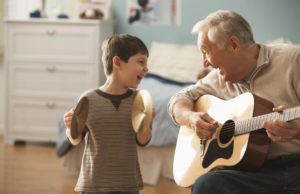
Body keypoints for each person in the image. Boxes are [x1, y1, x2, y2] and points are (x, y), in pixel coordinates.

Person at [168, 10, 300, 194]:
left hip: (295, 166)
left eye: (206, 52)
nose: (204, 63)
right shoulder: (217, 79)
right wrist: (190, 118)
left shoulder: (293, 60)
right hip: (252, 171)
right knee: (206, 184)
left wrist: (297, 131)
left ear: (234, 45)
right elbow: (178, 99)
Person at [64, 34, 153, 194]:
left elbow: (143, 141)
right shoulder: (88, 99)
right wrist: (71, 128)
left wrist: (145, 122)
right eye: (141, 62)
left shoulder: (139, 101)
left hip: (127, 184)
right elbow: (75, 140)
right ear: (117, 62)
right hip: (93, 184)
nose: (146, 68)